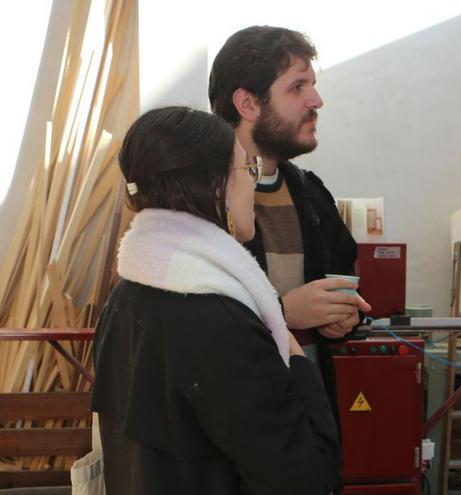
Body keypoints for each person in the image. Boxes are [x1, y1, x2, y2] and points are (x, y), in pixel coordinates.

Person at [91, 106, 341, 494]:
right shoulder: (223, 324)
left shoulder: (125, 296)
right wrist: (293, 356)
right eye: (247, 170)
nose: (253, 185)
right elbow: (307, 477)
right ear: (216, 188)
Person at [209, 26, 370, 423]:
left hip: (305, 416)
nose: (316, 100)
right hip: (234, 425)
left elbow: (345, 275)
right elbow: (191, 321)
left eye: (312, 85)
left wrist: (344, 317)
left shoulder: (311, 194)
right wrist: (282, 312)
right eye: (297, 87)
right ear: (247, 103)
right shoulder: (200, 200)